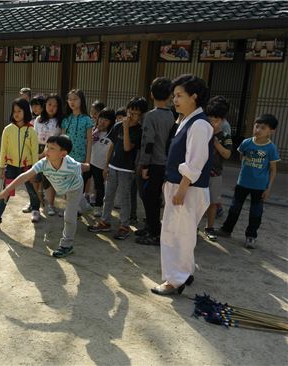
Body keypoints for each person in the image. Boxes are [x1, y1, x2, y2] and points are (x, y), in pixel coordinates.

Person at [151, 74, 213, 296]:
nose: (174, 100)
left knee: (176, 235)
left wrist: (182, 188)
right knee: (180, 234)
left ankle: (175, 281)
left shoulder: (199, 125)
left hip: (187, 189)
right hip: (180, 186)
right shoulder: (187, 120)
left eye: (179, 95)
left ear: (194, 97)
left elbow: (195, 161)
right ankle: (184, 273)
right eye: (174, 96)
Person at [0, 135, 90, 258]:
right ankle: (85, 205)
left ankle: (67, 246)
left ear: (63, 154)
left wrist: (90, 165)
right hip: (62, 188)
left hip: (74, 188)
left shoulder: (72, 165)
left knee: (69, 216)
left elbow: (85, 167)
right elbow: (25, 176)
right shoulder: (43, 163)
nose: (46, 150)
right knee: (80, 207)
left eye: (52, 148)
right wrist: (7, 190)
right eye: (47, 147)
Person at [88, 97, 147, 240]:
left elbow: (127, 147)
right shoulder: (117, 126)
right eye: (130, 112)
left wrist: (126, 128)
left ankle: (124, 225)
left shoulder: (138, 130)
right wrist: (106, 165)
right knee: (108, 195)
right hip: (113, 166)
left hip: (127, 170)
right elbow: (112, 145)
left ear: (140, 116)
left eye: (135, 114)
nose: (131, 116)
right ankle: (105, 221)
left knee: (124, 198)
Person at [217, 114, 279, 248]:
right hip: (242, 184)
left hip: (260, 186)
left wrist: (268, 188)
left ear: (271, 131)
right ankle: (226, 230)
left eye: (263, 128)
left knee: (256, 213)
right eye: (257, 126)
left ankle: (251, 236)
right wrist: (241, 177)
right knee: (234, 208)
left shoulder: (271, 148)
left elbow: (273, 170)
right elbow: (242, 158)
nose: (258, 130)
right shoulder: (246, 143)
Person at [0, 98, 40, 234]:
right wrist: (1, 167)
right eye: (14, 111)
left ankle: (35, 209)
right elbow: (3, 149)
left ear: (25, 112)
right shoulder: (8, 130)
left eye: (19, 111)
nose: (16, 114)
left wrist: (35, 170)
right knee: (6, 192)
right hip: (10, 166)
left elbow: (34, 152)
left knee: (31, 190)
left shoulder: (32, 131)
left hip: (27, 167)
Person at [135, 77, 176, 246]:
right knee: (154, 197)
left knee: (149, 197)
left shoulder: (151, 116)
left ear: (151, 94)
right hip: (167, 162)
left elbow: (148, 142)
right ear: (169, 96)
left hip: (154, 163)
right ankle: (151, 226)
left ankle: (154, 232)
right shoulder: (173, 115)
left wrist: (144, 165)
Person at [202, 96, 232, 241]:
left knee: (213, 203)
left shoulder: (225, 136)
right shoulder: (202, 132)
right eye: (210, 119)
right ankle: (193, 226)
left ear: (222, 121)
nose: (213, 123)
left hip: (216, 174)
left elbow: (227, 154)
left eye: (216, 120)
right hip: (201, 173)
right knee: (198, 202)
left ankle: (209, 227)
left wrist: (215, 142)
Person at [61, 89, 93, 210]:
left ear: (81, 100)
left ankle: (76, 207)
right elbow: (62, 140)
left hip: (81, 156)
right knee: (66, 182)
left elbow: (90, 141)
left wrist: (88, 160)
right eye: (70, 99)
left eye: (75, 99)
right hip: (67, 156)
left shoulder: (87, 120)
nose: (72, 102)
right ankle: (71, 207)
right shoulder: (66, 119)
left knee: (77, 183)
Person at [32, 94, 63, 216]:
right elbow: (34, 136)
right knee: (35, 177)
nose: (52, 108)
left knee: (49, 179)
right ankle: (35, 202)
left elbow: (61, 137)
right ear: (45, 105)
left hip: (53, 150)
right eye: (49, 104)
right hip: (38, 149)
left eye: (55, 106)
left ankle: (51, 205)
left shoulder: (60, 121)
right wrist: (35, 153)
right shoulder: (38, 119)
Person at [22, 95, 46, 214]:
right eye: (33, 105)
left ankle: (40, 200)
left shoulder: (46, 119)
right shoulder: (31, 119)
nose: (34, 108)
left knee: (42, 177)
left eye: (37, 105)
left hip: (45, 149)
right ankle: (33, 201)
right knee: (33, 177)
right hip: (33, 148)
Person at [89, 108, 115, 217]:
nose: (102, 122)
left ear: (111, 122)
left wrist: (107, 166)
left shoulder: (112, 134)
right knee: (82, 181)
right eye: (101, 119)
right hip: (90, 162)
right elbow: (90, 141)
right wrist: (97, 131)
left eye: (106, 120)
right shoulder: (94, 130)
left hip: (101, 165)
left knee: (99, 187)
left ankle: (98, 207)